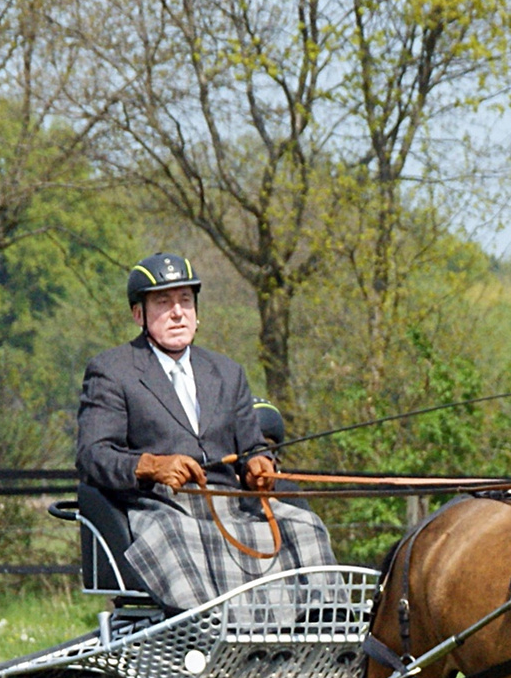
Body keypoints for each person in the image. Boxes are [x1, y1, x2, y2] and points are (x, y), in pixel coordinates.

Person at [76, 252, 335, 610]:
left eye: (185, 301)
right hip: (163, 506)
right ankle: (214, 637)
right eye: (163, 303)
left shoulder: (228, 372)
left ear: (197, 312)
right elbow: (93, 455)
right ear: (139, 314)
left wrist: (260, 464)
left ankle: (325, 631)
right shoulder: (112, 371)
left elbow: (252, 447)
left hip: (233, 504)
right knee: (178, 535)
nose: (178, 312)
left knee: (306, 525)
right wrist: (151, 465)